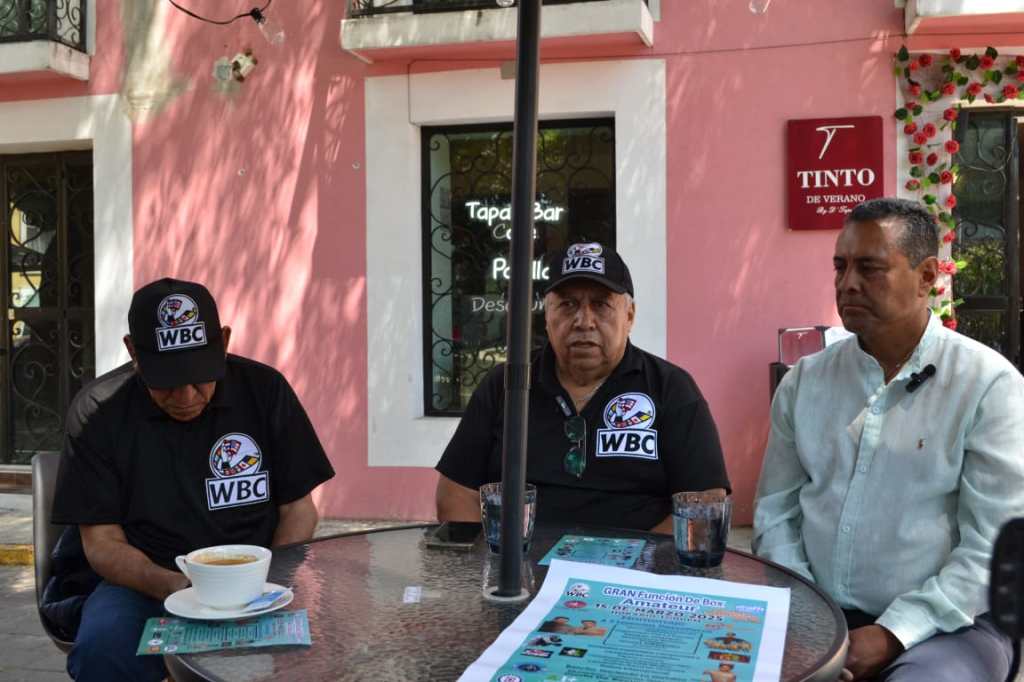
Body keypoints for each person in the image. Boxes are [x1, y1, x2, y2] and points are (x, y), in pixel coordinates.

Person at [753, 198, 1024, 682]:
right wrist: (812, 618)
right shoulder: (804, 382)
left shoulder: (987, 385)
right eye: (840, 266)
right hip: (818, 614)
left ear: (926, 277)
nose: (847, 283)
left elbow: (993, 546)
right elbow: (776, 513)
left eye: (870, 268)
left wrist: (894, 632)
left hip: (951, 627)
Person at [51, 278, 336, 682]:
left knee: (328, 646)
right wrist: (172, 586)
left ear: (224, 342)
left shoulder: (265, 391)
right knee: (103, 651)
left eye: (201, 376)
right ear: (133, 352)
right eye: (166, 381)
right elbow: (101, 542)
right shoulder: (98, 412)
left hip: (258, 581)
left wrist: (265, 584)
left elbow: (298, 510)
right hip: (143, 585)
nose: (186, 396)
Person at [435, 242, 729, 532]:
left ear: (629, 316)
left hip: (638, 559)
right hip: (520, 559)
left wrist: (646, 559)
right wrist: (492, 557)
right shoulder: (506, 384)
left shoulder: (671, 388)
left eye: (601, 305)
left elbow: (705, 503)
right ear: (547, 316)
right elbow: (455, 493)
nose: (584, 321)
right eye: (567, 305)